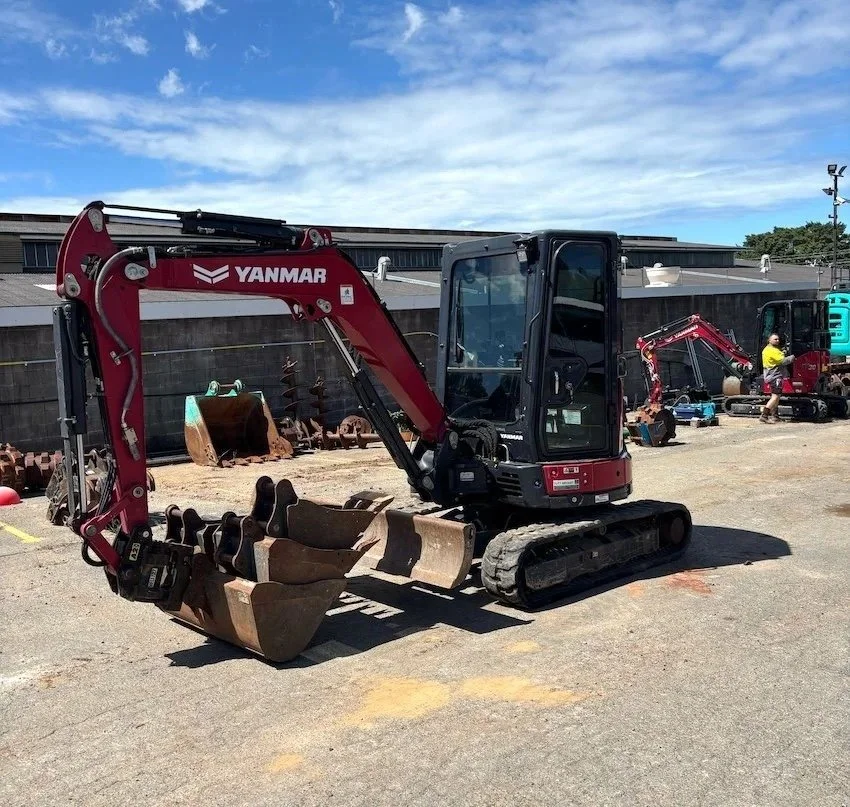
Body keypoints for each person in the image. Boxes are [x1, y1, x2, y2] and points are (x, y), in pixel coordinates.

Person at [760, 333, 794, 423]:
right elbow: (783, 361)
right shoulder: (771, 351)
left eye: (778, 339)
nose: (777, 341)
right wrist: (793, 357)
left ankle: (775, 416)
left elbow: (779, 355)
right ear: (769, 340)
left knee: (777, 396)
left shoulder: (770, 349)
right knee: (775, 397)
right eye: (775, 339)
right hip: (774, 376)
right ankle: (764, 415)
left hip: (772, 375)